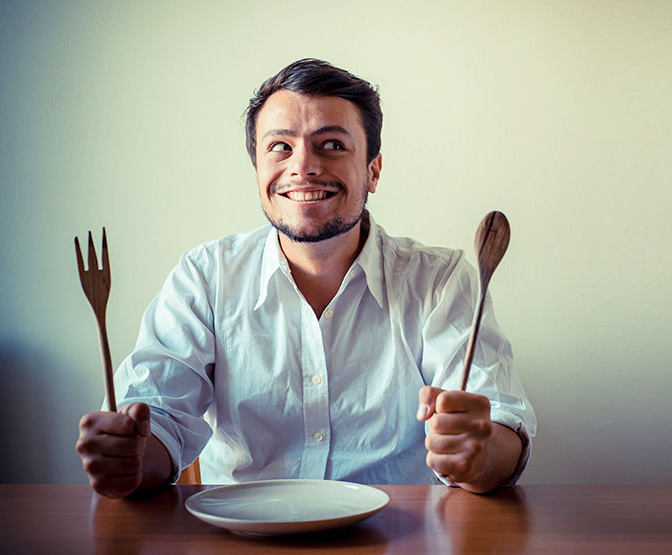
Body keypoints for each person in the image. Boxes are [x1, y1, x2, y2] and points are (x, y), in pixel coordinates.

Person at [75, 59, 536, 498]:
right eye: (281, 146)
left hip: (399, 534)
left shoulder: (440, 280)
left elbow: (500, 423)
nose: (304, 167)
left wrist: (479, 454)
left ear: (373, 171)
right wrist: (130, 456)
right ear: (258, 168)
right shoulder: (205, 278)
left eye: (331, 145)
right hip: (243, 534)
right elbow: (159, 420)